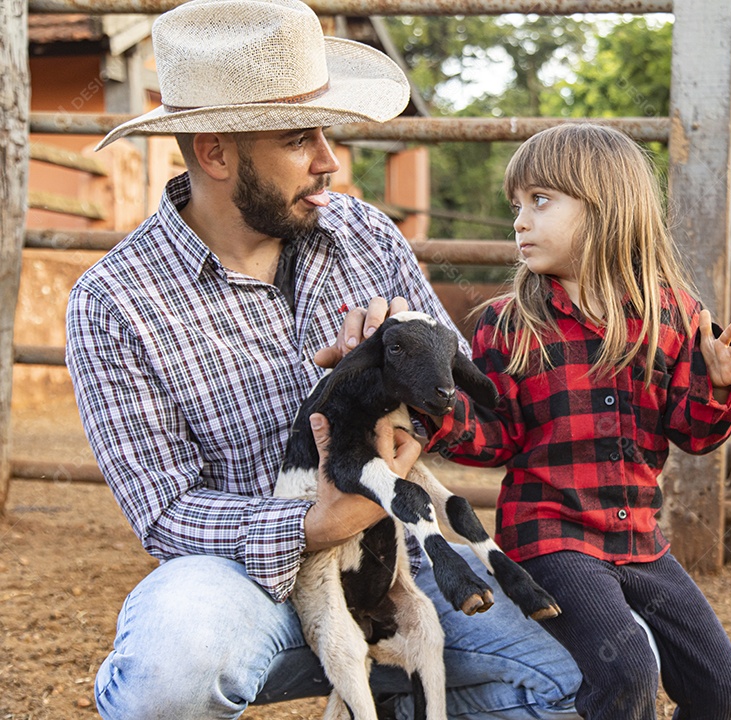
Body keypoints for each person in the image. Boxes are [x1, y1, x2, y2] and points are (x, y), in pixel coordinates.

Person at [65, 1, 581, 718]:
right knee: (168, 674)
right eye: (298, 138)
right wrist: (315, 525)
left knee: (556, 681)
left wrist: (406, 374)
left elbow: (463, 395)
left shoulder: (365, 232)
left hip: (397, 550)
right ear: (215, 152)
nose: (328, 160)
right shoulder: (114, 302)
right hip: (246, 575)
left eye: (325, 132)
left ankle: (395, 690)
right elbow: (163, 510)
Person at [422, 124, 731, 720]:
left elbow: (694, 434)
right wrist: (440, 410)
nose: (520, 221)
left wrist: (718, 386)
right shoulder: (507, 322)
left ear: (605, 207)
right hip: (552, 536)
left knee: (725, 690)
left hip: (639, 541)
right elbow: (498, 435)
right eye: (516, 206)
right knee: (627, 669)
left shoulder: (675, 314)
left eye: (540, 201)